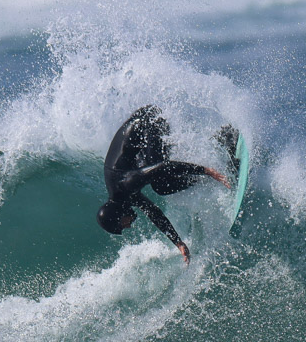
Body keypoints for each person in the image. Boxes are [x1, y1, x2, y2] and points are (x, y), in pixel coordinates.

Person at [96, 105, 232, 263]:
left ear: (118, 214)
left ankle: (213, 167)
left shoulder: (124, 184)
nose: (128, 226)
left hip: (148, 120)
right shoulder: (122, 196)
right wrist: (178, 243)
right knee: (160, 182)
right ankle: (217, 146)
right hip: (143, 128)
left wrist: (206, 170)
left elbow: (162, 167)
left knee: (161, 184)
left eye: (122, 224)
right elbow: (153, 212)